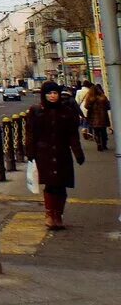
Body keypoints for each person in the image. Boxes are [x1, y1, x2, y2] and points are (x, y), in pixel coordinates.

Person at [26, 81, 85, 230]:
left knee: (61, 185)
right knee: (51, 185)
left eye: (55, 93)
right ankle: (50, 215)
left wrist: (78, 153)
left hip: (62, 152)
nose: (52, 96)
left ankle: (58, 215)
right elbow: (30, 134)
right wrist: (30, 153)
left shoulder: (66, 111)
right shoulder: (36, 110)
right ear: (44, 95)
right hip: (43, 153)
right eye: (49, 93)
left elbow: (72, 135)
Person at [84, 84, 112, 152]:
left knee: (96, 132)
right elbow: (108, 106)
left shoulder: (90, 98)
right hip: (103, 117)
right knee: (103, 132)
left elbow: (86, 106)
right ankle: (104, 144)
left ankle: (98, 144)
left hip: (93, 118)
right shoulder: (103, 97)